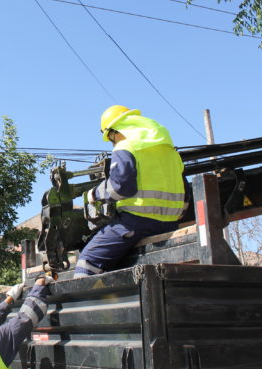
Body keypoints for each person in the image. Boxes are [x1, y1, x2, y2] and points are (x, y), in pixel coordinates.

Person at [74, 105, 186, 278]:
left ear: (115, 131)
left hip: (135, 222)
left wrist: (94, 195)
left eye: (111, 137)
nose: (113, 141)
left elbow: (121, 187)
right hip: (169, 223)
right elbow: (185, 190)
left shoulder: (126, 146)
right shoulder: (170, 152)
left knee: (87, 262)